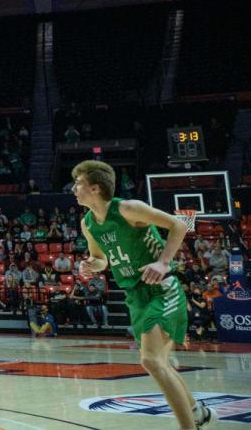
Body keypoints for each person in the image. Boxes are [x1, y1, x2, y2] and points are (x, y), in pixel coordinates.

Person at [72, 160, 211, 430]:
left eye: (78, 183)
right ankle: (197, 412)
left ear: (95, 188)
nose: (74, 188)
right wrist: (91, 266)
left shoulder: (129, 208)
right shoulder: (88, 223)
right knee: (160, 363)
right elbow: (101, 259)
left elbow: (179, 225)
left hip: (162, 288)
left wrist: (163, 262)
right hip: (134, 295)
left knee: (150, 360)